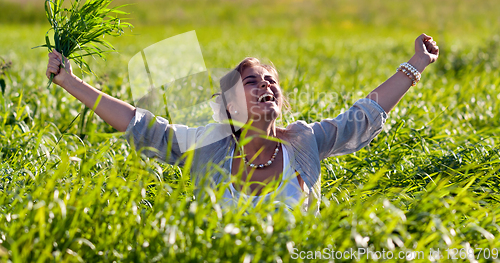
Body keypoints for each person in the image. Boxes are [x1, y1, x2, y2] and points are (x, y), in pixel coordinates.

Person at [46, 34, 439, 214]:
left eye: (271, 82)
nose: (265, 85)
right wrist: (69, 81)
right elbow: (142, 124)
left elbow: (360, 116)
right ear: (229, 105)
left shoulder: (303, 141)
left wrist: (415, 65)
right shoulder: (207, 146)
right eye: (251, 82)